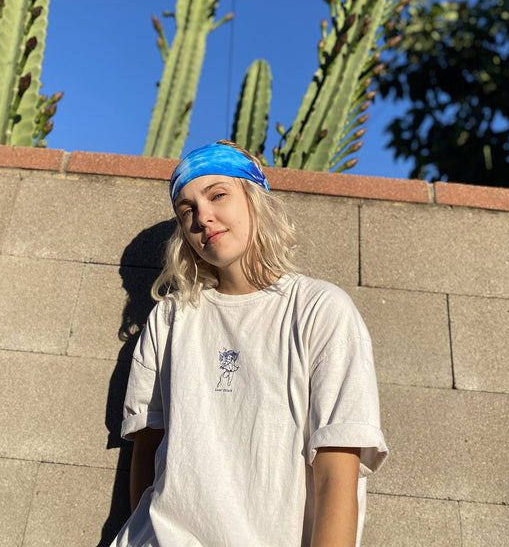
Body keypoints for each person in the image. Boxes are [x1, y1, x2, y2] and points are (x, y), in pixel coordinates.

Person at [109, 141, 387, 547]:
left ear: (255, 197)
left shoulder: (320, 310)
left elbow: (336, 474)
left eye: (218, 195)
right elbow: (147, 454)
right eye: (186, 210)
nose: (202, 216)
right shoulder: (169, 320)